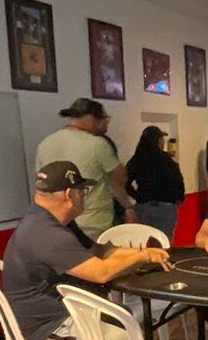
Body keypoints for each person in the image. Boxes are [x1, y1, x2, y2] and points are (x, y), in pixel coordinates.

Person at [2, 161, 172, 340]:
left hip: (65, 313)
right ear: (70, 195)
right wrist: (142, 257)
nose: (85, 196)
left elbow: (99, 251)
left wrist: (141, 254)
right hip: (46, 328)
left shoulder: (52, 220)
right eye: (83, 190)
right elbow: (100, 272)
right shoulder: (46, 234)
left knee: (123, 319)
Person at [35, 98, 135, 236]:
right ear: (91, 118)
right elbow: (119, 179)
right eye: (104, 119)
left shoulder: (45, 143)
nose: (106, 123)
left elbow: (40, 182)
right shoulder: (97, 144)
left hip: (57, 222)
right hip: (93, 223)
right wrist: (128, 207)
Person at [125, 125, 185, 242]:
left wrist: (138, 196)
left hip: (143, 207)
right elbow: (178, 181)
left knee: (142, 242)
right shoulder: (166, 159)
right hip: (165, 207)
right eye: (162, 139)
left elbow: (125, 182)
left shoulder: (137, 159)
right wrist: (179, 198)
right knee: (163, 242)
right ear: (158, 140)